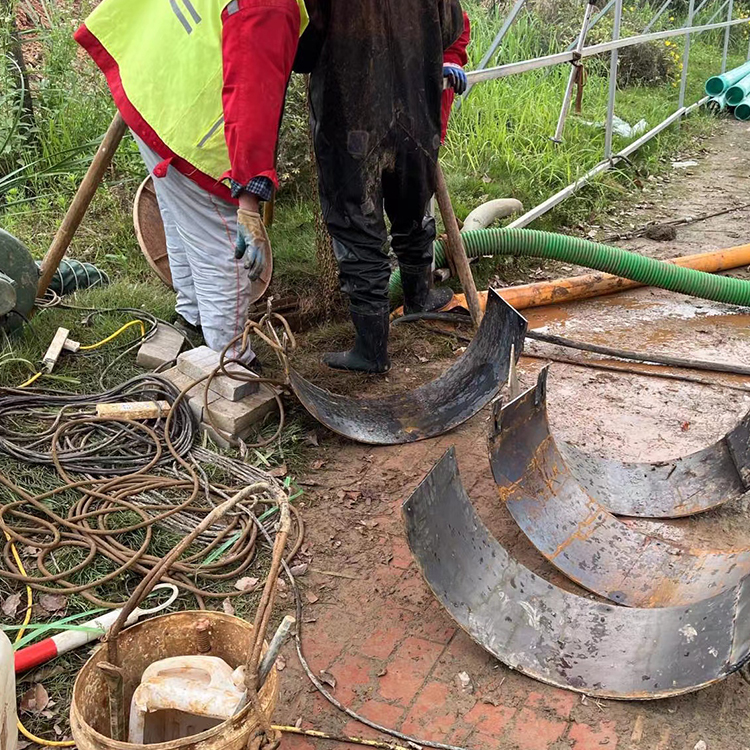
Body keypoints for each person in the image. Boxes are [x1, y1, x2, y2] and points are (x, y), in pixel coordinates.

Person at [74, 0, 308, 364]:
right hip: (192, 131)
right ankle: (231, 360)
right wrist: (247, 200)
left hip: (150, 83)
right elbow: (252, 94)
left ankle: (191, 317)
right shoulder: (271, 6)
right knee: (221, 244)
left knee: (179, 214)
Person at [295, 1, 470, 374]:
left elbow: (301, 50)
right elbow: (451, 26)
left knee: (357, 226)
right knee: (414, 206)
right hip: (415, 115)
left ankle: (371, 350)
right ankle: (418, 297)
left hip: (351, 120)